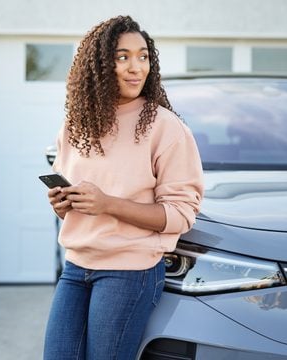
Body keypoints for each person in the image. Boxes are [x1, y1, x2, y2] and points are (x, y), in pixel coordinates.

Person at [43, 15, 204, 360]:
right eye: (122, 57)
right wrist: (61, 203)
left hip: (129, 271)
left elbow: (181, 215)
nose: (136, 67)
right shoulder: (76, 125)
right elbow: (73, 192)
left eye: (143, 56)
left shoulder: (166, 128)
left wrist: (107, 204)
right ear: (99, 65)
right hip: (76, 265)